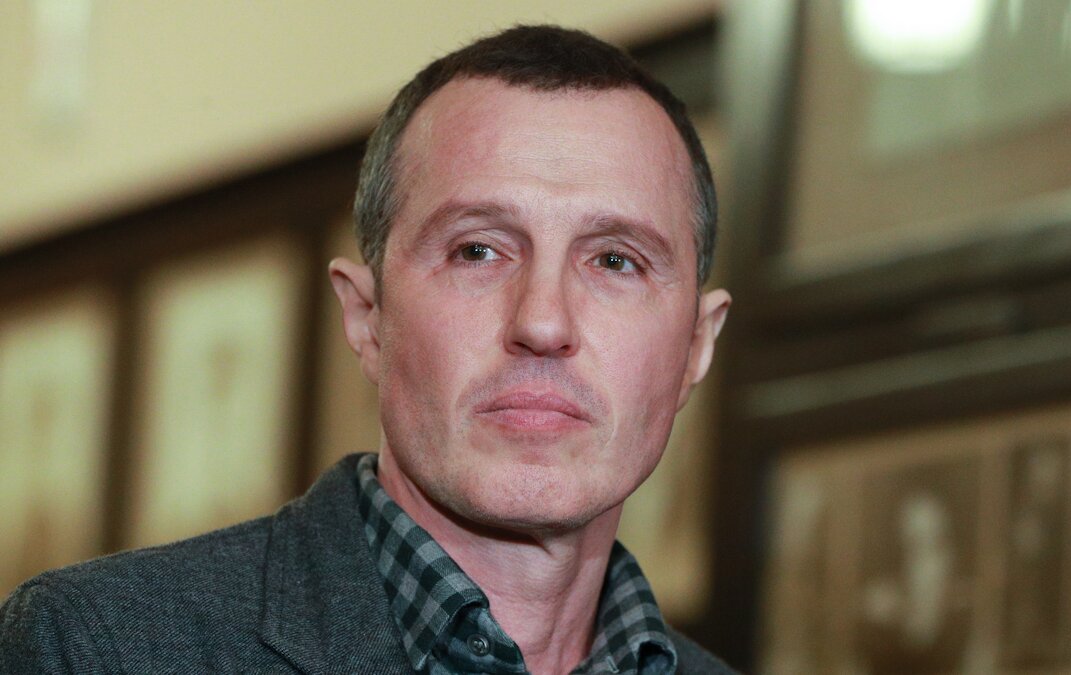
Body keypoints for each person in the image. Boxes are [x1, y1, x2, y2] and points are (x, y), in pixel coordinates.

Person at [0, 24, 733, 674]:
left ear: (696, 347)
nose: (542, 322)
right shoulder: (98, 647)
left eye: (615, 261)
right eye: (478, 250)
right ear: (366, 316)